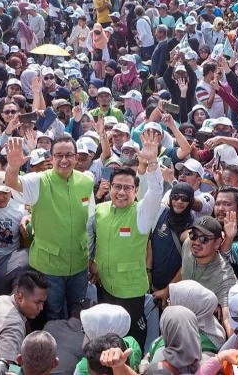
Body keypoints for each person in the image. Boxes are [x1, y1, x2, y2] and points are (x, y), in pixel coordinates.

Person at [5, 136, 93, 321]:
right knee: (54, 313)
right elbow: (14, 183)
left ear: (77, 158)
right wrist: (13, 167)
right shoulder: (39, 181)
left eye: (69, 155)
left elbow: (90, 218)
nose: (64, 160)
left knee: (78, 312)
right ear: (51, 158)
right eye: (58, 155)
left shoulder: (86, 181)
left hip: (79, 263)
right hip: (49, 266)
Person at [89, 130, 162, 348]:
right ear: (109, 187)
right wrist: (93, 263)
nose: (121, 192)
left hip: (130, 291)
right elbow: (94, 241)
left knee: (131, 341)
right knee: (108, 338)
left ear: (136, 190)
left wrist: (152, 163)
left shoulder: (141, 213)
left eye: (127, 188)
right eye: (117, 187)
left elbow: (157, 192)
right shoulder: (100, 210)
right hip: (105, 287)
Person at [0, 270, 50, 359]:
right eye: (38, 302)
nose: (41, 308)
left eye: (43, 303)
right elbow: (6, 368)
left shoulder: (0, 299)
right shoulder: (14, 326)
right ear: (19, 298)